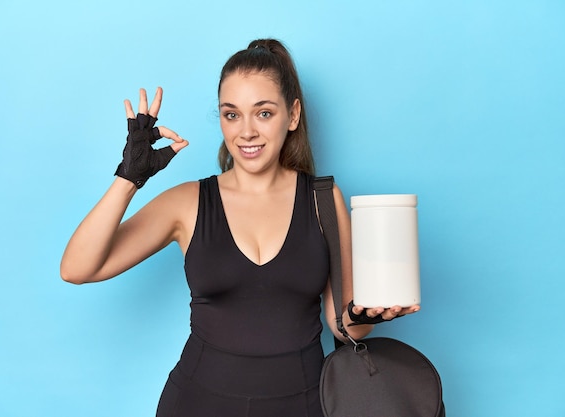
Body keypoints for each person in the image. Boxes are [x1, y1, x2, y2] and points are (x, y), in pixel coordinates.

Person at [60, 38, 420, 417]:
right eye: (232, 114)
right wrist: (129, 177)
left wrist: (367, 316)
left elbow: (341, 323)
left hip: (305, 405)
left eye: (263, 113)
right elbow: (77, 269)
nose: (246, 131)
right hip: (197, 403)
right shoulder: (188, 202)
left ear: (293, 115)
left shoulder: (322, 199)